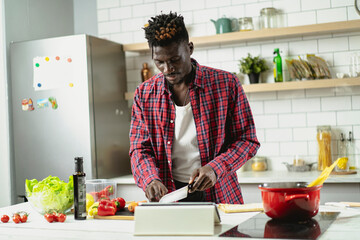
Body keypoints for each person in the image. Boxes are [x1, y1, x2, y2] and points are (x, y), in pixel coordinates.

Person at [129, 12, 260, 204]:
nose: (167, 69)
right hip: (169, 197)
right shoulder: (144, 94)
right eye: (159, 62)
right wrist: (150, 178)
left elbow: (247, 140)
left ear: (189, 49)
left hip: (220, 193)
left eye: (174, 60)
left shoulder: (226, 84)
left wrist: (216, 168)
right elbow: (139, 149)